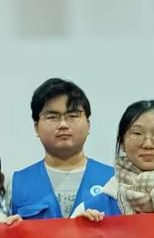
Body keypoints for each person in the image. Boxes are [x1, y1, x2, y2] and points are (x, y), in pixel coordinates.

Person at [10, 78, 114, 219]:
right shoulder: (15, 184)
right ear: (36, 127)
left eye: (72, 116)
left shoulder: (114, 181)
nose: (63, 124)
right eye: (52, 117)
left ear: (88, 124)